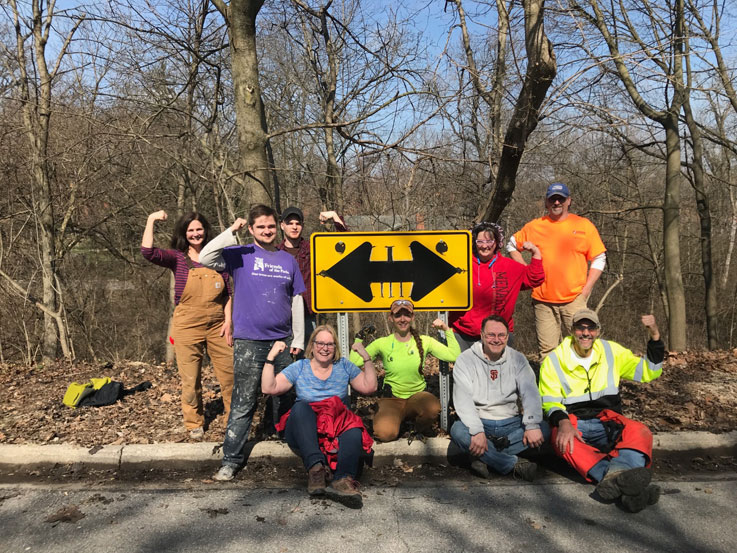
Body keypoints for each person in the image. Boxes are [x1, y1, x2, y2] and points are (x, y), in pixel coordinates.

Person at [199, 204, 306, 481]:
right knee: (243, 402)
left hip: (281, 341)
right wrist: (231, 232)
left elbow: (296, 300)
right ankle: (231, 460)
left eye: (271, 226)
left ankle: (288, 443)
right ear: (251, 229)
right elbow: (204, 256)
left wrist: (299, 338)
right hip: (249, 342)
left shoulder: (287, 260)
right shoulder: (239, 254)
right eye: (261, 227)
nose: (267, 231)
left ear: (277, 226)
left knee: (286, 397)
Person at [538, 309, 664, 512]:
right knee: (561, 440)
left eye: (591, 328)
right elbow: (549, 401)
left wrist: (655, 336)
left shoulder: (611, 351)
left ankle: (615, 479)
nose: (586, 333)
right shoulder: (554, 360)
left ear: (599, 331)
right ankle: (627, 485)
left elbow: (650, 371)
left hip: (609, 420)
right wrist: (563, 424)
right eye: (581, 327)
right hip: (574, 422)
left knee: (640, 431)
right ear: (572, 330)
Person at [141, 210, 233, 441]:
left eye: (199, 229)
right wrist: (151, 220)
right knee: (191, 380)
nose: (195, 233)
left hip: (217, 324)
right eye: (190, 230)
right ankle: (194, 422)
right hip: (187, 325)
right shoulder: (178, 258)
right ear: (184, 233)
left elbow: (229, 293)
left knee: (230, 374)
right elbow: (148, 252)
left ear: (206, 231)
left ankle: (234, 418)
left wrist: (229, 322)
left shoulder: (219, 257)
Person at [262, 325, 377, 508]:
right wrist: (271, 358)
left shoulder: (344, 366)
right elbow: (269, 388)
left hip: (334, 426)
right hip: (304, 428)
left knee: (354, 428)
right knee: (301, 408)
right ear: (312, 345)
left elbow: (369, 387)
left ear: (335, 347)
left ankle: (343, 480)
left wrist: (366, 357)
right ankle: (316, 470)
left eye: (330, 344)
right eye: (320, 343)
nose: (325, 348)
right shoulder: (299, 367)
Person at [507, 183, 607, 358]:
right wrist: (527, 272)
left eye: (561, 199)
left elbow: (599, 257)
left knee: (583, 347)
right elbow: (512, 244)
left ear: (569, 201)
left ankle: (582, 384)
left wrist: (587, 288)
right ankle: (553, 386)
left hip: (575, 298)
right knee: (547, 353)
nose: (557, 202)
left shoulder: (583, 225)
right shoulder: (535, 226)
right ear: (546, 202)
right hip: (543, 301)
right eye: (553, 199)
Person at [450, 315, 549, 481]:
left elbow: (530, 392)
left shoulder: (518, 359)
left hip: (510, 422)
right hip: (480, 420)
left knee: (544, 429)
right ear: (482, 335)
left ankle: (483, 456)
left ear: (507, 337)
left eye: (501, 335)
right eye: (491, 335)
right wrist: (477, 430)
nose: (496, 340)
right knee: (458, 431)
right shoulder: (465, 360)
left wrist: (531, 424)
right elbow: (463, 399)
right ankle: (513, 464)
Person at [350, 299, 461, 442]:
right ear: (391, 318)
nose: (403, 319)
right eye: (398, 315)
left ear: (412, 317)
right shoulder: (382, 343)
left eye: (407, 315)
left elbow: (455, 355)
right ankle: (396, 422)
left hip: (417, 397)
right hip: (392, 399)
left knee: (432, 408)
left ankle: (416, 427)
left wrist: (446, 330)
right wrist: (359, 340)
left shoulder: (424, 341)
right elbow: (354, 362)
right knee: (384, 434)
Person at [449, 222, 544, 351]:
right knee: (467, 371)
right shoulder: (461, 264)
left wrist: (536, 253)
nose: (484, 246)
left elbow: (535, 278)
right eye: (480, 241)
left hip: (498, 335)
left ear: (497, 243)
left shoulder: (510, 267)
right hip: (463, 334)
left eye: (489, 241)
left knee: (496, 371)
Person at [277, 207, 348, 337]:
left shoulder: (313, 248)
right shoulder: (274, 253)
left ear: (302, 226)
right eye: (290, 223)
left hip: (307, 317)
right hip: (279, 318)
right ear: (282, 226)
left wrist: (335, 217)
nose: (294, 227)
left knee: (307, 356)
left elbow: (346, 244)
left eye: (298, 223)